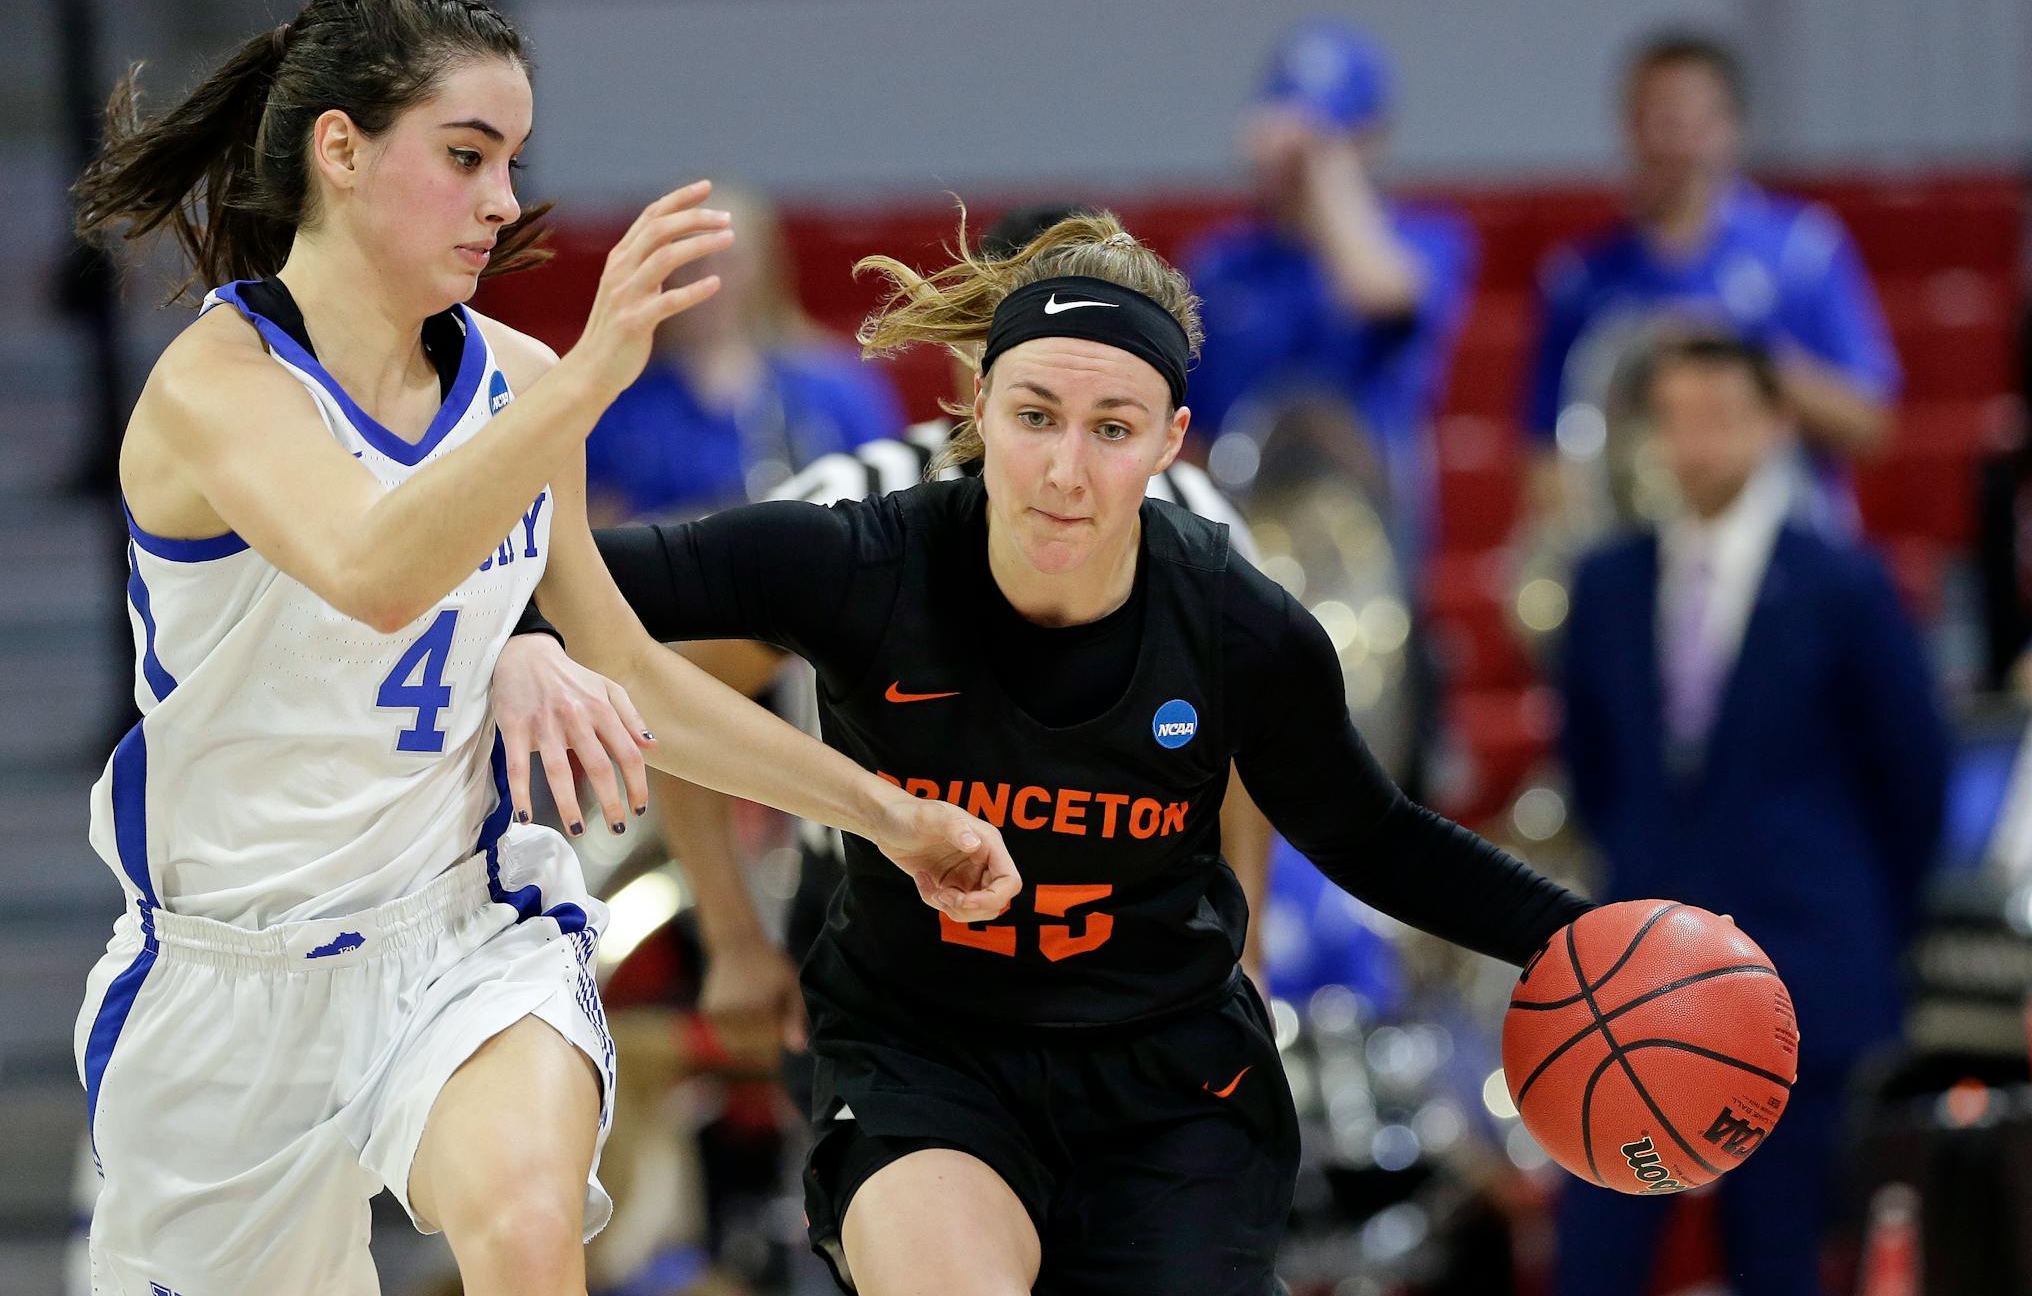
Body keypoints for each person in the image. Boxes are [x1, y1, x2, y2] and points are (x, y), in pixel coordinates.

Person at [65, 0, 1015, 1296]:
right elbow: (373, 568)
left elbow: (639, 676)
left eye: (511, 160)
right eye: (466, 157)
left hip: (459, 925)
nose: (506, 201)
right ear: (341, 149)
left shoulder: (514, 380)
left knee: (524, 1227)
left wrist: (886, 814)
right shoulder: (217, 385)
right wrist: (587, 387)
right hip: (228, 977)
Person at [530, 210, 1591, 1295]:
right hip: (923, 1049)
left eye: (1113, 429)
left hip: (1165, 1077)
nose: (1065, 471)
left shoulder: (1237, 619)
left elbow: (1373, 835)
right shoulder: (859, 552)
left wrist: (1583, 936)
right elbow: (550, 581)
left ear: (1171, 439)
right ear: (978, 404)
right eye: (1036, 416)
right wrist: (561, 421)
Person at [1557, 333, 1947, 1296]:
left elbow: (1915, 774)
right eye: (1676, 418)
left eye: (1720, 415)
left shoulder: (1843, 584)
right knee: (1595, 1256)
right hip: (1634, 981)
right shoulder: (1607, 583)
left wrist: (1854, 926)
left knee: (1780, 1259)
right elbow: (1594, 769)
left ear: (1776, 425)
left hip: (1802, 974)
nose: (1696, 442)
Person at [1523, 32, 1900, 540]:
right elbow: (1547, 453)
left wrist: (1743, 361)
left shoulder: (1803, 253)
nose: (1676, 141)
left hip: (1784, 552)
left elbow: (1871, 424)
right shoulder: (1580, 279)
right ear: (1628, 128)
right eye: (1657, 118)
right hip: (1637, 558)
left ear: (1733, 128)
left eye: (1695, 121)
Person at [1184, 20, 1476, 570]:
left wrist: (1325, 163)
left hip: (1371, 540)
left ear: (1372, 140)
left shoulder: (1428, 239)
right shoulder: (1221, 260)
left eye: (1328, 133)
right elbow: (1192, 428)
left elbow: (1376, 292)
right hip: (1246, 538)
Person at [582, 186, 903, 525]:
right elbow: (592, 529)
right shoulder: (621, 403)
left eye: (729, 260)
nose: (711, 280)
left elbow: (890, 502)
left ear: (764, 268)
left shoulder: (839, 385)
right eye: (691, 263)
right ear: (661, 274)